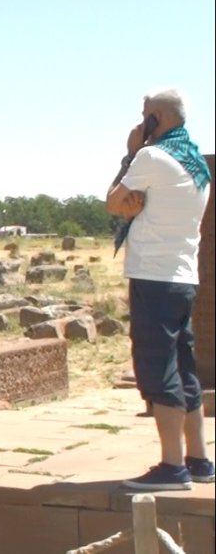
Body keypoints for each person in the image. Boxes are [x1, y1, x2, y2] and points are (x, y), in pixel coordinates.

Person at [106, 87, 212, 490]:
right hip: (183, 276)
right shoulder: (197, 164)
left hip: (153, 275)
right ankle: (198, 459)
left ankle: (172, 466)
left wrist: (131, 151)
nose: (140, 122)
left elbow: (114, 202)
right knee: (184, 368)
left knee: (157, 366)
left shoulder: (151, 157)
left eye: (145, 115)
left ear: (158, 118)